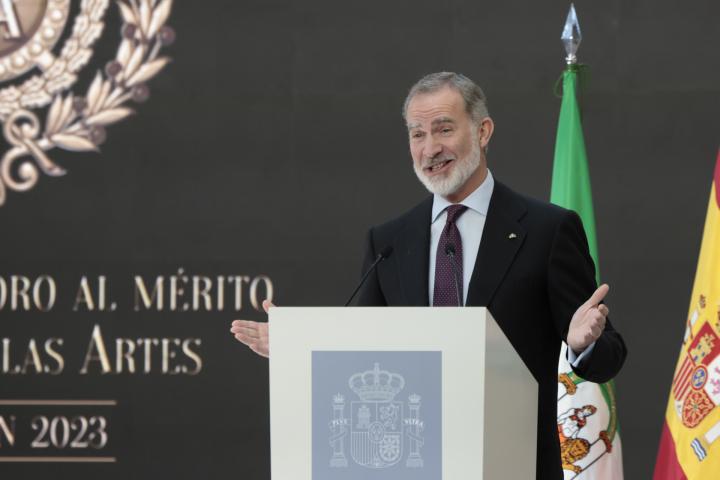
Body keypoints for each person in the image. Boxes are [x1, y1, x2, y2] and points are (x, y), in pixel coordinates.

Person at [230, 72, 627, 480]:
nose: (430, 148)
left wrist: (582, 344)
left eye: (444, 129)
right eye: (417, 134)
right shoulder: (388, 240)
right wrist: (300, 347)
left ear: (483, 131)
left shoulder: (547, 230)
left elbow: (609, 355)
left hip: (515, 465)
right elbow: (362, 349)